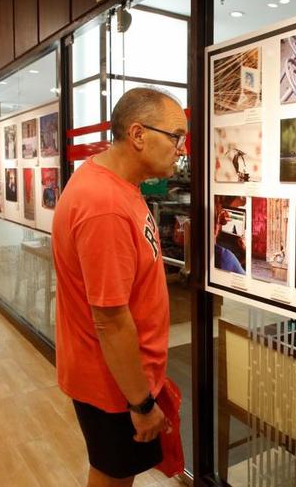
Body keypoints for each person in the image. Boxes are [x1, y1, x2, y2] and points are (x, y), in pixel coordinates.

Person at [52, 87, 187, 487]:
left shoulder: (117, 187)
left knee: (119, 472)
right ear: (139, 135)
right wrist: (141, 403)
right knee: (112, 474)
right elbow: (110, 319)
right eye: (176, 136)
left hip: (119, 377)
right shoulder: (104, 205)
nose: (180, 148)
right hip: (112, 382)